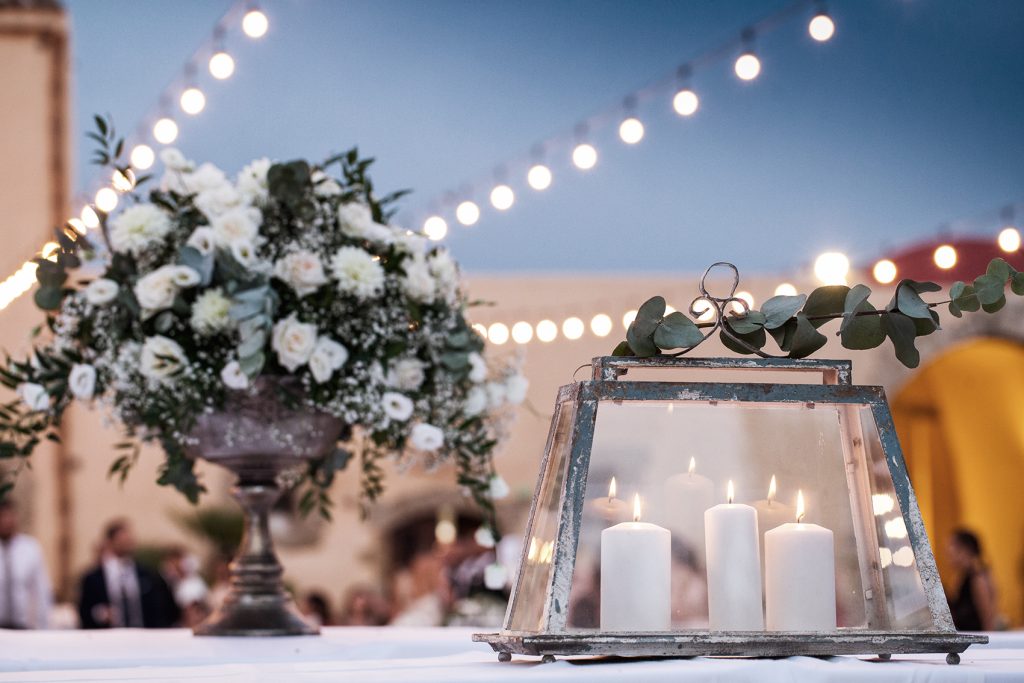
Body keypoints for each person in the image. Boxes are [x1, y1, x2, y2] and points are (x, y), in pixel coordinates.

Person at [77, 519, 180, 628]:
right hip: (108, 637)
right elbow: (84, 611)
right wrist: (100, 614)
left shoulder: (147, 575)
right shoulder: (93, 578)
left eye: (128, 539)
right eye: (121, 539)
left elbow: (166, 607)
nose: (126, 542)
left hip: (142, 636)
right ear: (110, 542)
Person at [0, 501, 52, 629]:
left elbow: (41, 589)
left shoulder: (30, 548)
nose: (6, 522)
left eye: (9, 516)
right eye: (2, 517)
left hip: (24, 625)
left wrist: (42, 625)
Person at [947, 528, 999, 631]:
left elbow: (988, 617)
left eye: (951, 546)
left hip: (977, 640)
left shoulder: (977, 577)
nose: (948, 551)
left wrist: (990, 644)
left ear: (965, 549)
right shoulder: (964, 576)